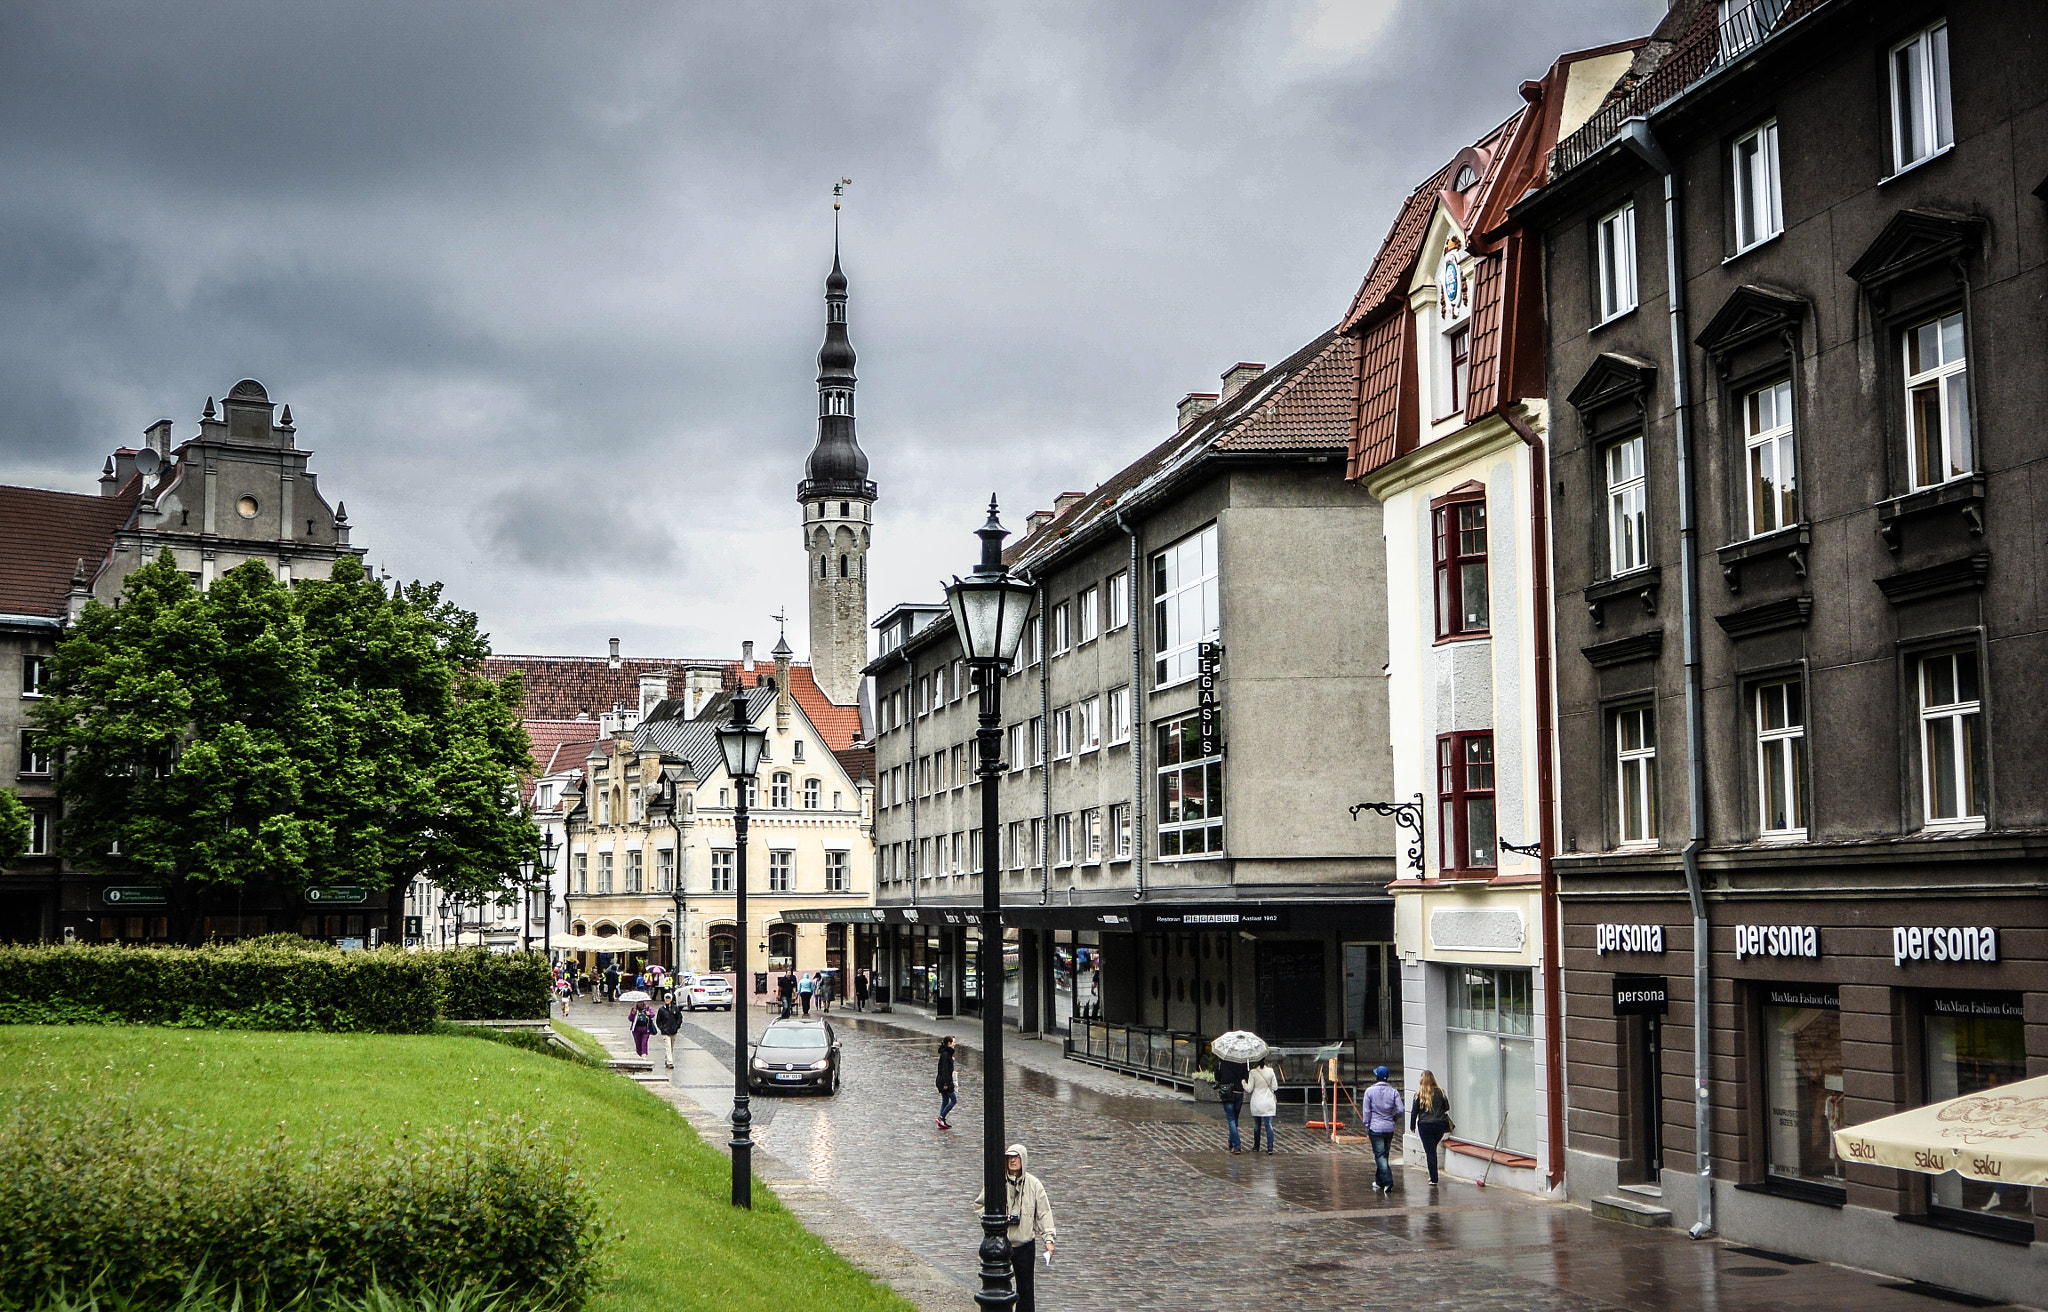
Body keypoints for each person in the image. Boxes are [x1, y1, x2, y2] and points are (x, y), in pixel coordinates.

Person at [973, 1144, 1056, 1312]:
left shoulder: (1034, 1185)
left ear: (1023, 1159)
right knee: (998, 1286)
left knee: (1026, 1289)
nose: (1012, 1160)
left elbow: (1044, 1213)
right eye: (1009, 1157)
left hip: (1025, 1244)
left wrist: (1048, 1239)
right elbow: (980, 1205)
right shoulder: (997, 1182)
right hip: (1002, 1243)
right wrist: (994, 1221)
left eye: (1016, 1157)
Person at [1364, 1065, 1404, 1194]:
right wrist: (1395, 1117)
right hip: (1389, 1127)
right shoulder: (1393, 1092)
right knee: (1383, 1154)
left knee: (1380, 1155)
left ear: (1376, 1077)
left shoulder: (1369, 1092)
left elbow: (1366, 1112)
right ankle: (1379, 1181)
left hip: (1375, 1127)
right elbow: (1401, 1109)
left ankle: (1388, 1181)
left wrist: (1367, 1125)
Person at [1411, 1069, 1452, 1186]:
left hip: (1425, 1125)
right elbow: (1447, 1107)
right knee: (1432, 1149)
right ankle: (1433, 1176)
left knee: (1430, 1152)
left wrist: (1412, 1125)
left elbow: (1414, 1112)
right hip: (1439, 1125)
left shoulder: (1419, 1094)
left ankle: (1433, 1178)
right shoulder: (1441, 1092)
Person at [1245, 1055, 1280, 1154]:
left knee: (1257, 1125)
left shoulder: (1253, 1072)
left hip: (1257, 1101)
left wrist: (1243, 1082)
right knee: (1268, 1124)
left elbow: (1249, 1089)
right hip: (1268, 1101)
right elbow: (1275, 1087)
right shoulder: (1270, 1071)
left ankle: (1256, 1146)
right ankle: (1270, 1148)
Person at [1214, 1058, 1249, 1154]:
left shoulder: (1222, 1061)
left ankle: (1237, 1145)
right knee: (1235, 1118)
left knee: (1231, 1119)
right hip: (1239, 1092)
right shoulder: (1242, 1061)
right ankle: (1231, 1141)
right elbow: (1246, 1077)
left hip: (1227, 1092)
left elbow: (1217, 1077)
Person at [936, 1035, 959, 1129]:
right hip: (945, 1081)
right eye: (953, 1042)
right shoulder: (946, 1055)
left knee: (945, 1100)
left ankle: (941, 1122)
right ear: (949, 1043)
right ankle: (941, 1117)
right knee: (954, 1099)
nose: (955, 1044)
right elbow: (945, 1070)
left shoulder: (946, 1054)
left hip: (942, 1080)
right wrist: (946, 1083)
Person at [655, 995, 683, 1069]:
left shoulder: (675, 1009)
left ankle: (667, 1059)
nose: (667, 1000)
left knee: (671, 1047)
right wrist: (662, 1028)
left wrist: (677, 1026)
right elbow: (658, 1021)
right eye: (666, 998)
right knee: (668, 1046)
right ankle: (670, 1062)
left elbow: (679, 1018)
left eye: (669, 998)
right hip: (665, 1032)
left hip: (673, 1031)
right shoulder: (661, 1010)